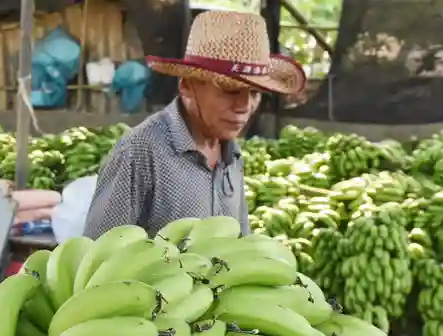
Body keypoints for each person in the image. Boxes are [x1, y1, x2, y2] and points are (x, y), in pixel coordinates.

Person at [83, 11, 306, 239]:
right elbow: (100, 251)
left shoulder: (232, 157)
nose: (244, 106)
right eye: (230, 90)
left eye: (255, 93)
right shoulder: (139, 153)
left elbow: (241, 243)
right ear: (187, 87)